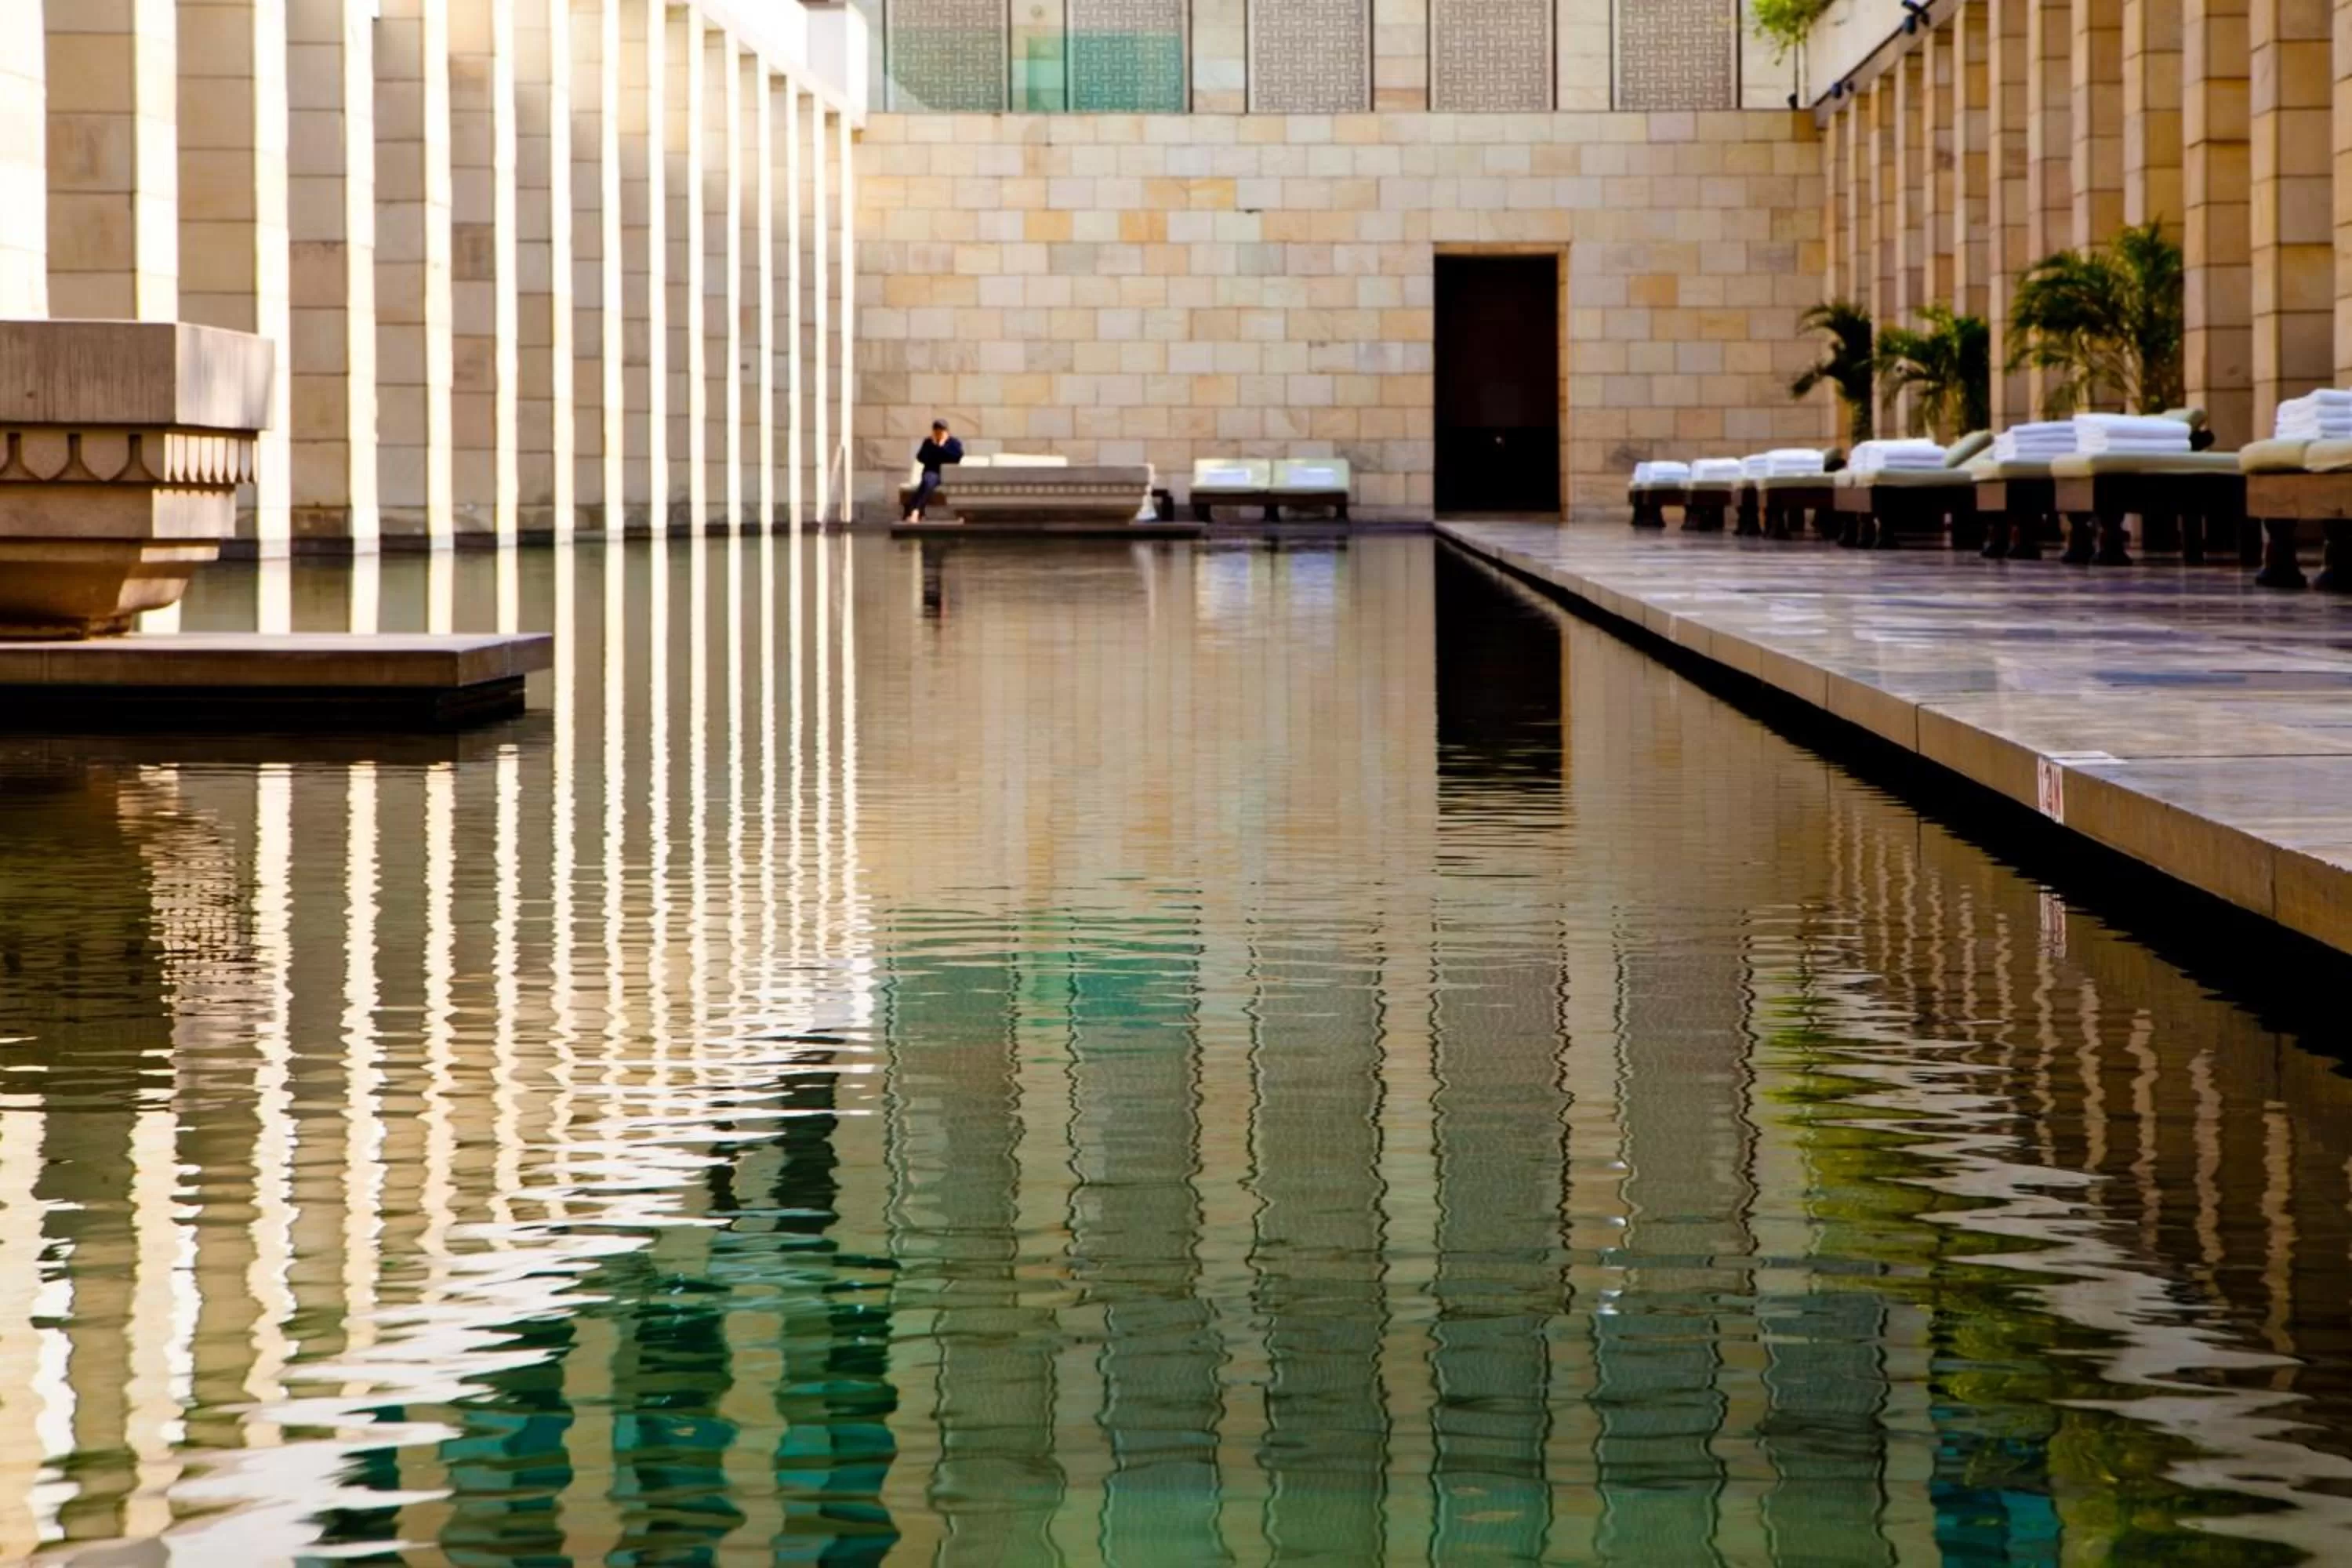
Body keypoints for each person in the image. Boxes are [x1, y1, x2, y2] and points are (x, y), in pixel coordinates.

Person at [906, 419, 963, 522]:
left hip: (947, 474)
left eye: (941, 431)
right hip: (932, 472)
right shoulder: (928, 442)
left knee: (925, 484)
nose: (938, 434)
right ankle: (916, 511)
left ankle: (915, 511)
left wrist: (941, 447)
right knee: (927, 482)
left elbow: (956, 458)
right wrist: (934, 446)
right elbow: (921, 458)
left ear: (946, 431)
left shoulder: (954, 443)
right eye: (936, 431)